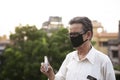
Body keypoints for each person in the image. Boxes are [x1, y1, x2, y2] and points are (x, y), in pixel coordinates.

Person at [40, 16, 116, 80]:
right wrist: (50, 75)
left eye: (76, 34)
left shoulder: (103, 61)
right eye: (70, 35)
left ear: (88, 35)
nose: (72, 38)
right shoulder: (70, 57)